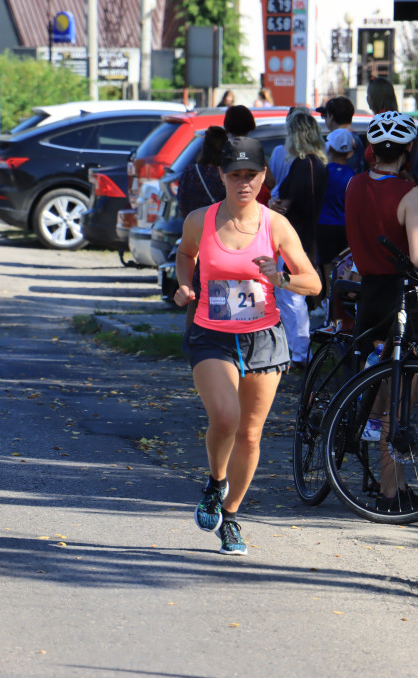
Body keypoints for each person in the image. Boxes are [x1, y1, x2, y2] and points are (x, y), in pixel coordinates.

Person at [173, 136, 321, 554]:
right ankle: (215, 483)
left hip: (264, 338)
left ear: (263, 177)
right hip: (212, 334)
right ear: (220, 175)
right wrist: (185, 284)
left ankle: (232, 516)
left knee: (251, 435)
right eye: (234, 175)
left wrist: (281, 279)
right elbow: (185, 255)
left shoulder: (276, 225)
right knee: (225, 417)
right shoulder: (201, 220)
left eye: (250, 175)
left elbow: (313, 282)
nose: (243, 183)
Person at [344, 111, 418, 510]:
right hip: (398, 291)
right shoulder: (410, 193)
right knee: (401, 391)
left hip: (367, 290)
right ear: (409, 149)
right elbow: (417, 256)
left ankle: (355, 435)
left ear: (372, 149)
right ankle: (390, 491)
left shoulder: (354, 184)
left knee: (368, 377)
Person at [275, 110, 328, 368]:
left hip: (293, 236)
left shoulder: (300, 164)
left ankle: (299, 352)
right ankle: (298, 350)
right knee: (294, 294)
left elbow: (285, 204)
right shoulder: (319, 164)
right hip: (309, 235)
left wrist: (272, 207)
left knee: (290, 294)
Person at [364, 78, 418, 202]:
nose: (366, 98)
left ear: (374, 97)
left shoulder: (384, 123)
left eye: (368, 95)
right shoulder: (394, 121)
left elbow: (392, 158)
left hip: (388, 192)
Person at [317, 128, 357, 331]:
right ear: (350, 151)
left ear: (329, 147)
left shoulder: (323, 172)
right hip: (345, 228)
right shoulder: (353, 176)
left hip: (324, 226)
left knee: (327, 270)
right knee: (345, 270)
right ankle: (339, 313)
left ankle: (328, 309)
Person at [176, 126, 227, 220]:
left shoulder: (190, 172)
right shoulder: (227, 174)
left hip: (195, 226)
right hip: (219, 227)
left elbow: (182, 203)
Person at [317, 96, 366, 173]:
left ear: (331, 117)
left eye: (325, 116)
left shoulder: (346, 140)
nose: (325, 120)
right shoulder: (355, 138)